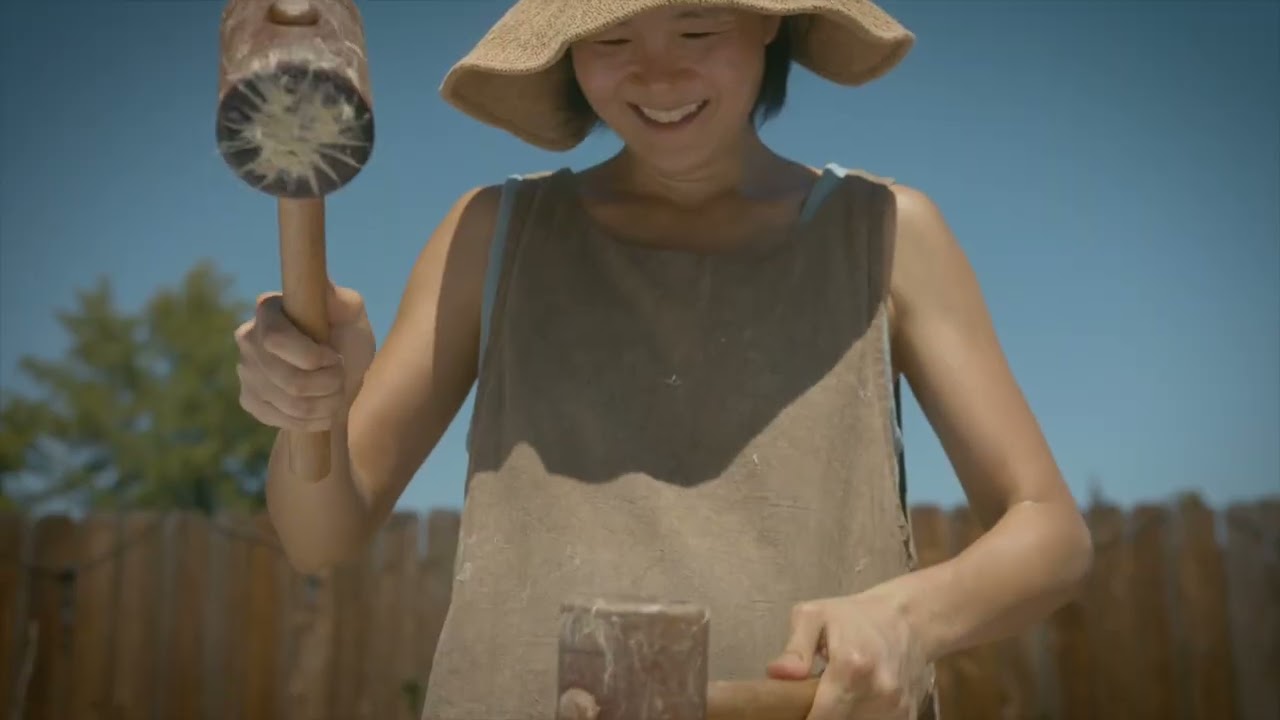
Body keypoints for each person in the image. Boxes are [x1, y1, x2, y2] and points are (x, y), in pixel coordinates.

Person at [234, 1, 1095, 718]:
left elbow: (1050, 532)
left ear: (767, 23)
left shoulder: (887, 234)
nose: (657, 73)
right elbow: (319, 534)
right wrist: (314, 405)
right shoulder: (491, 236)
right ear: (568, 53)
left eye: (694, 29)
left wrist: (910, 615)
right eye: (611, 39)